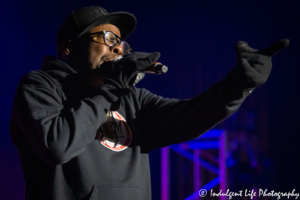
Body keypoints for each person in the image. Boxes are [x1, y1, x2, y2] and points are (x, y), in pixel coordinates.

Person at [9, 6, 289, 200]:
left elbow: (190, 116)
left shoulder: (131, 98)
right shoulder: (40, 85)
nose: (118, 48)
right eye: (107, 38)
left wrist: (239, 85)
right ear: (70, 47)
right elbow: (57, 146)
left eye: (121, 42)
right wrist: (112, 88)